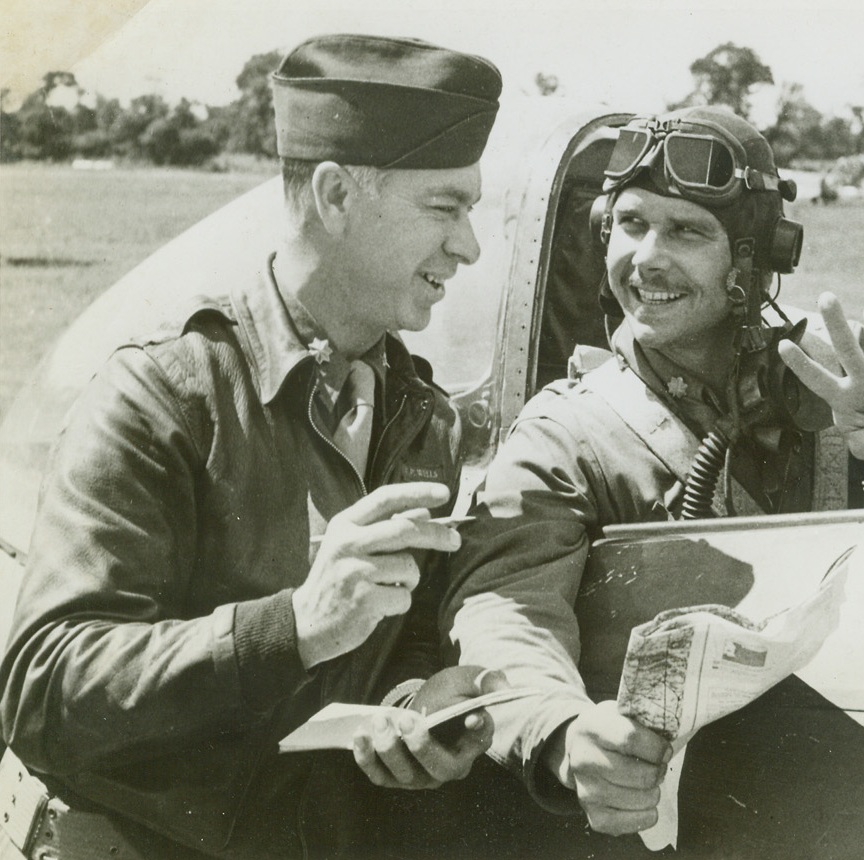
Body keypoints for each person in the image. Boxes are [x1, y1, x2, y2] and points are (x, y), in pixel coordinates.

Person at [441, 106, 864, 857]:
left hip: (853, 798)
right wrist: (560, 729)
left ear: (753, 259)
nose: (645, 258)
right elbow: (506, 610)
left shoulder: (833, 379)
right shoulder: (567, 432)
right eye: (631, 223)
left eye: (686, 232)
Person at [0, 34, 505, 860]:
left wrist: (416, 703)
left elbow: (402, 632)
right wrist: (297, 625)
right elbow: (45, 690)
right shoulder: (162, 393)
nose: (469, 245)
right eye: (444, 208)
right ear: (337, 195)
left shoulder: (424, 416)